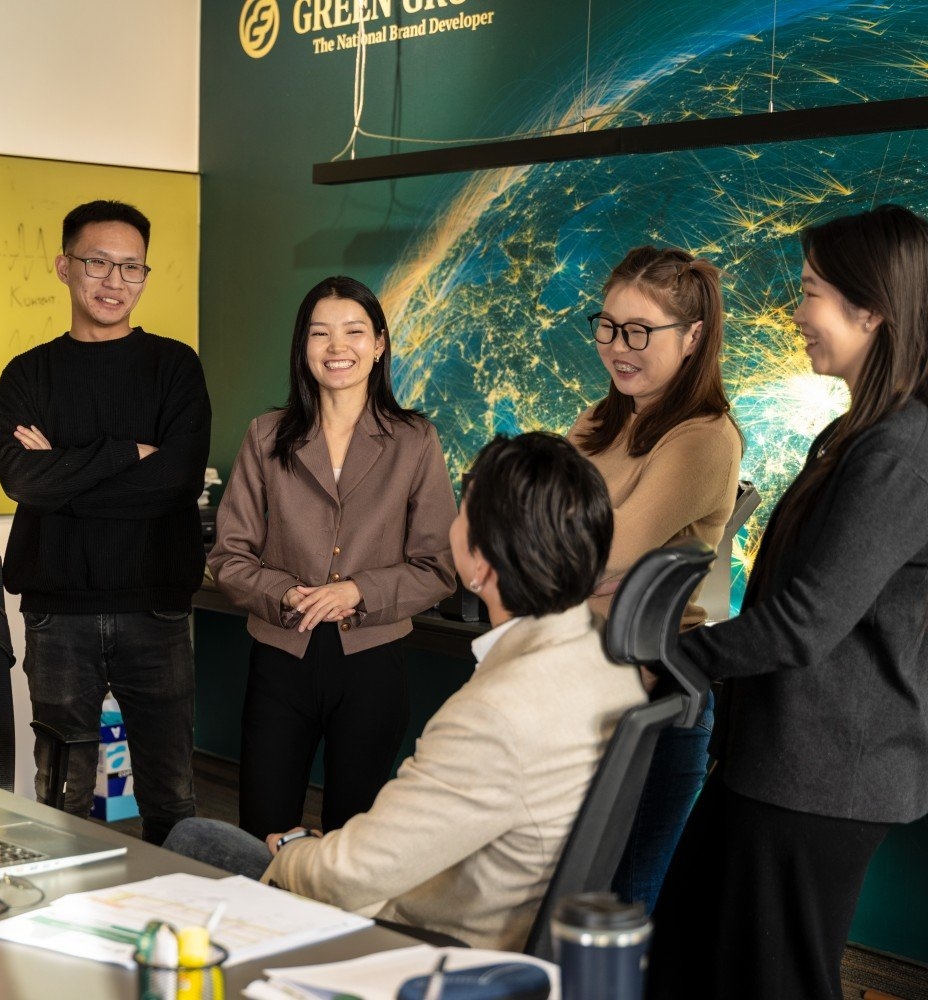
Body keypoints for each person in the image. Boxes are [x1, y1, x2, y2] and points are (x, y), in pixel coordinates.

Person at [646, 205, 928, 1000]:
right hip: (777, 765)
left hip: (821, 779)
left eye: (812, 293)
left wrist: (667, 656)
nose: (796, 313)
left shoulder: (900, 445)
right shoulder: (860, 432)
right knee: (689, 958)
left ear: (873, 310)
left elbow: (801, 625)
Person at [167, 432, 647, 950]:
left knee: (195, 839)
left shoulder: (494, 713)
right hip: (508, 910)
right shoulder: (610, 666)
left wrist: (296, 850)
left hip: (429, 941)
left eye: (462, 515)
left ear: (482, 564)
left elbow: (349, 877)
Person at [0, 199, 210, 845]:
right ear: (65, 267)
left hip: (157, 607)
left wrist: (60, 476)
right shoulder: (27, 373)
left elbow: (175, 482)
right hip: (58, 612)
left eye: (131, 267)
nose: (115, 281)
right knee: (62, 796)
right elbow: (20, 481)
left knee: (171, 793)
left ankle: (179, 902)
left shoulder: (175, 366)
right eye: (98, 263)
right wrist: (122, 453)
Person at [208, 275, 457, 840]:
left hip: (373, 663)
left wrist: (358, 591)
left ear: (380, 344)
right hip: (280, 658)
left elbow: (439, 565)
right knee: (264, 831)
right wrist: (285, 593)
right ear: (303, 346)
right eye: (320, 333)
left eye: (354, 331)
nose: (337, 347)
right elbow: (230, 555)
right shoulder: (265, 435)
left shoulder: (415, 440)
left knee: (355, 837)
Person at [566, 246, 742, 912]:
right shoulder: (598, 419)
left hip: (651, 697)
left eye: (639, 331)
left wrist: (587, 565)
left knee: (620, 909)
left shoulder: (703, 438)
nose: (617, 347)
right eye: (608, 326)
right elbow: (527, 533)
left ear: (692, 336)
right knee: (551, 901)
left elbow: (600, 555)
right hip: (574, 683)